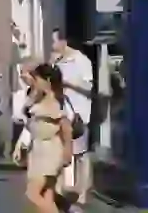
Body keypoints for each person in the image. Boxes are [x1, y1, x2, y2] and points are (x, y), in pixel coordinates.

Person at [18, 64, 73, 213]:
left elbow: (66, 127)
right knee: (47, 194)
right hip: (37, 149)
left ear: (47, 80)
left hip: (50, 150)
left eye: (37, 79)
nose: (34, 81)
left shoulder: (57, 100)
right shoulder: (39, 97)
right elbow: (26, 113)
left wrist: (68, 150)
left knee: (32, 193)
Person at [52, 29, 94, 208]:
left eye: (54, 42)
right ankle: (60, 189)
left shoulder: (82, 61)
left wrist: (68, 84)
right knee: (61, 151)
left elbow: (88, 88)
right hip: (62, 113)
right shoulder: (57, 62)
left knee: (81, 155)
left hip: (79, 113)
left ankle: (84, 191)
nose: (52, 46)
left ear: (64, 42)